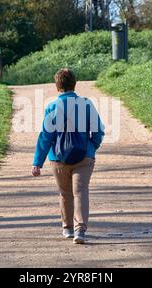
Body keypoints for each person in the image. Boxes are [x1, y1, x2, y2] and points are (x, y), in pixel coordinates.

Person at [32, 69, 105, 244]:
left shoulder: (52, 107)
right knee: (80, 192)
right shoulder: (86, 104)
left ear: (57, 86)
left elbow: (45, 136)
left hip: (58, 159)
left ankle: (68, 228)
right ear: (75, 84)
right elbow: (98, 131)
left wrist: (37, 162)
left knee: (65, 194)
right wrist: (91, 147)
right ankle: (80, 231)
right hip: (84, 157)